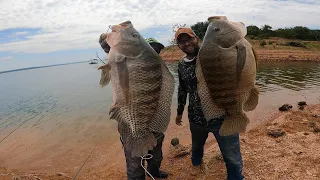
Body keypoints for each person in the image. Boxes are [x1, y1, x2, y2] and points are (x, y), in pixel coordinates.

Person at [174, 27, 244, 180]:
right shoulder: (181, 65)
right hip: (196, 119)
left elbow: (234, 61)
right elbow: (182, 89)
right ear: (178, 45)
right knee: (197, 149)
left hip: (223, 117)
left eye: (189, 39)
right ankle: (196, 168)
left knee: (232, 158)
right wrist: (179, 113)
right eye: (182, 42)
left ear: (197, 38)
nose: (186, 44)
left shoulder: (211, 55)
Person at [98, 34, 168, 180]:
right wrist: (107, 41)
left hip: (155, 122)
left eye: (157, 50)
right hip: (131, 124)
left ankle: (154, 173)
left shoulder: (160, 68)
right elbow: (111, 50)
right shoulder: (128, 64)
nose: (154, 53)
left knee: (156, 155)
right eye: (150, 50)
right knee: (135, 164)